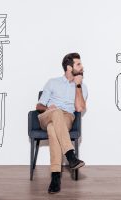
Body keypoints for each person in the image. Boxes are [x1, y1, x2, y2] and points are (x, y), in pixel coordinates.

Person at [36, 53, 88, 194]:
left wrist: (78, 85)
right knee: (56, 113)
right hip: (47, 115)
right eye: (78, 64)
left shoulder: (82, 87)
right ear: (69, 67)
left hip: (66, 118)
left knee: (53, 129)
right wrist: (49, 108)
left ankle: (55, 177)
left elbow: (79, 108)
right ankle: (71, 156)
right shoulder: (53, 82)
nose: (82, 67)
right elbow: (39, 106)